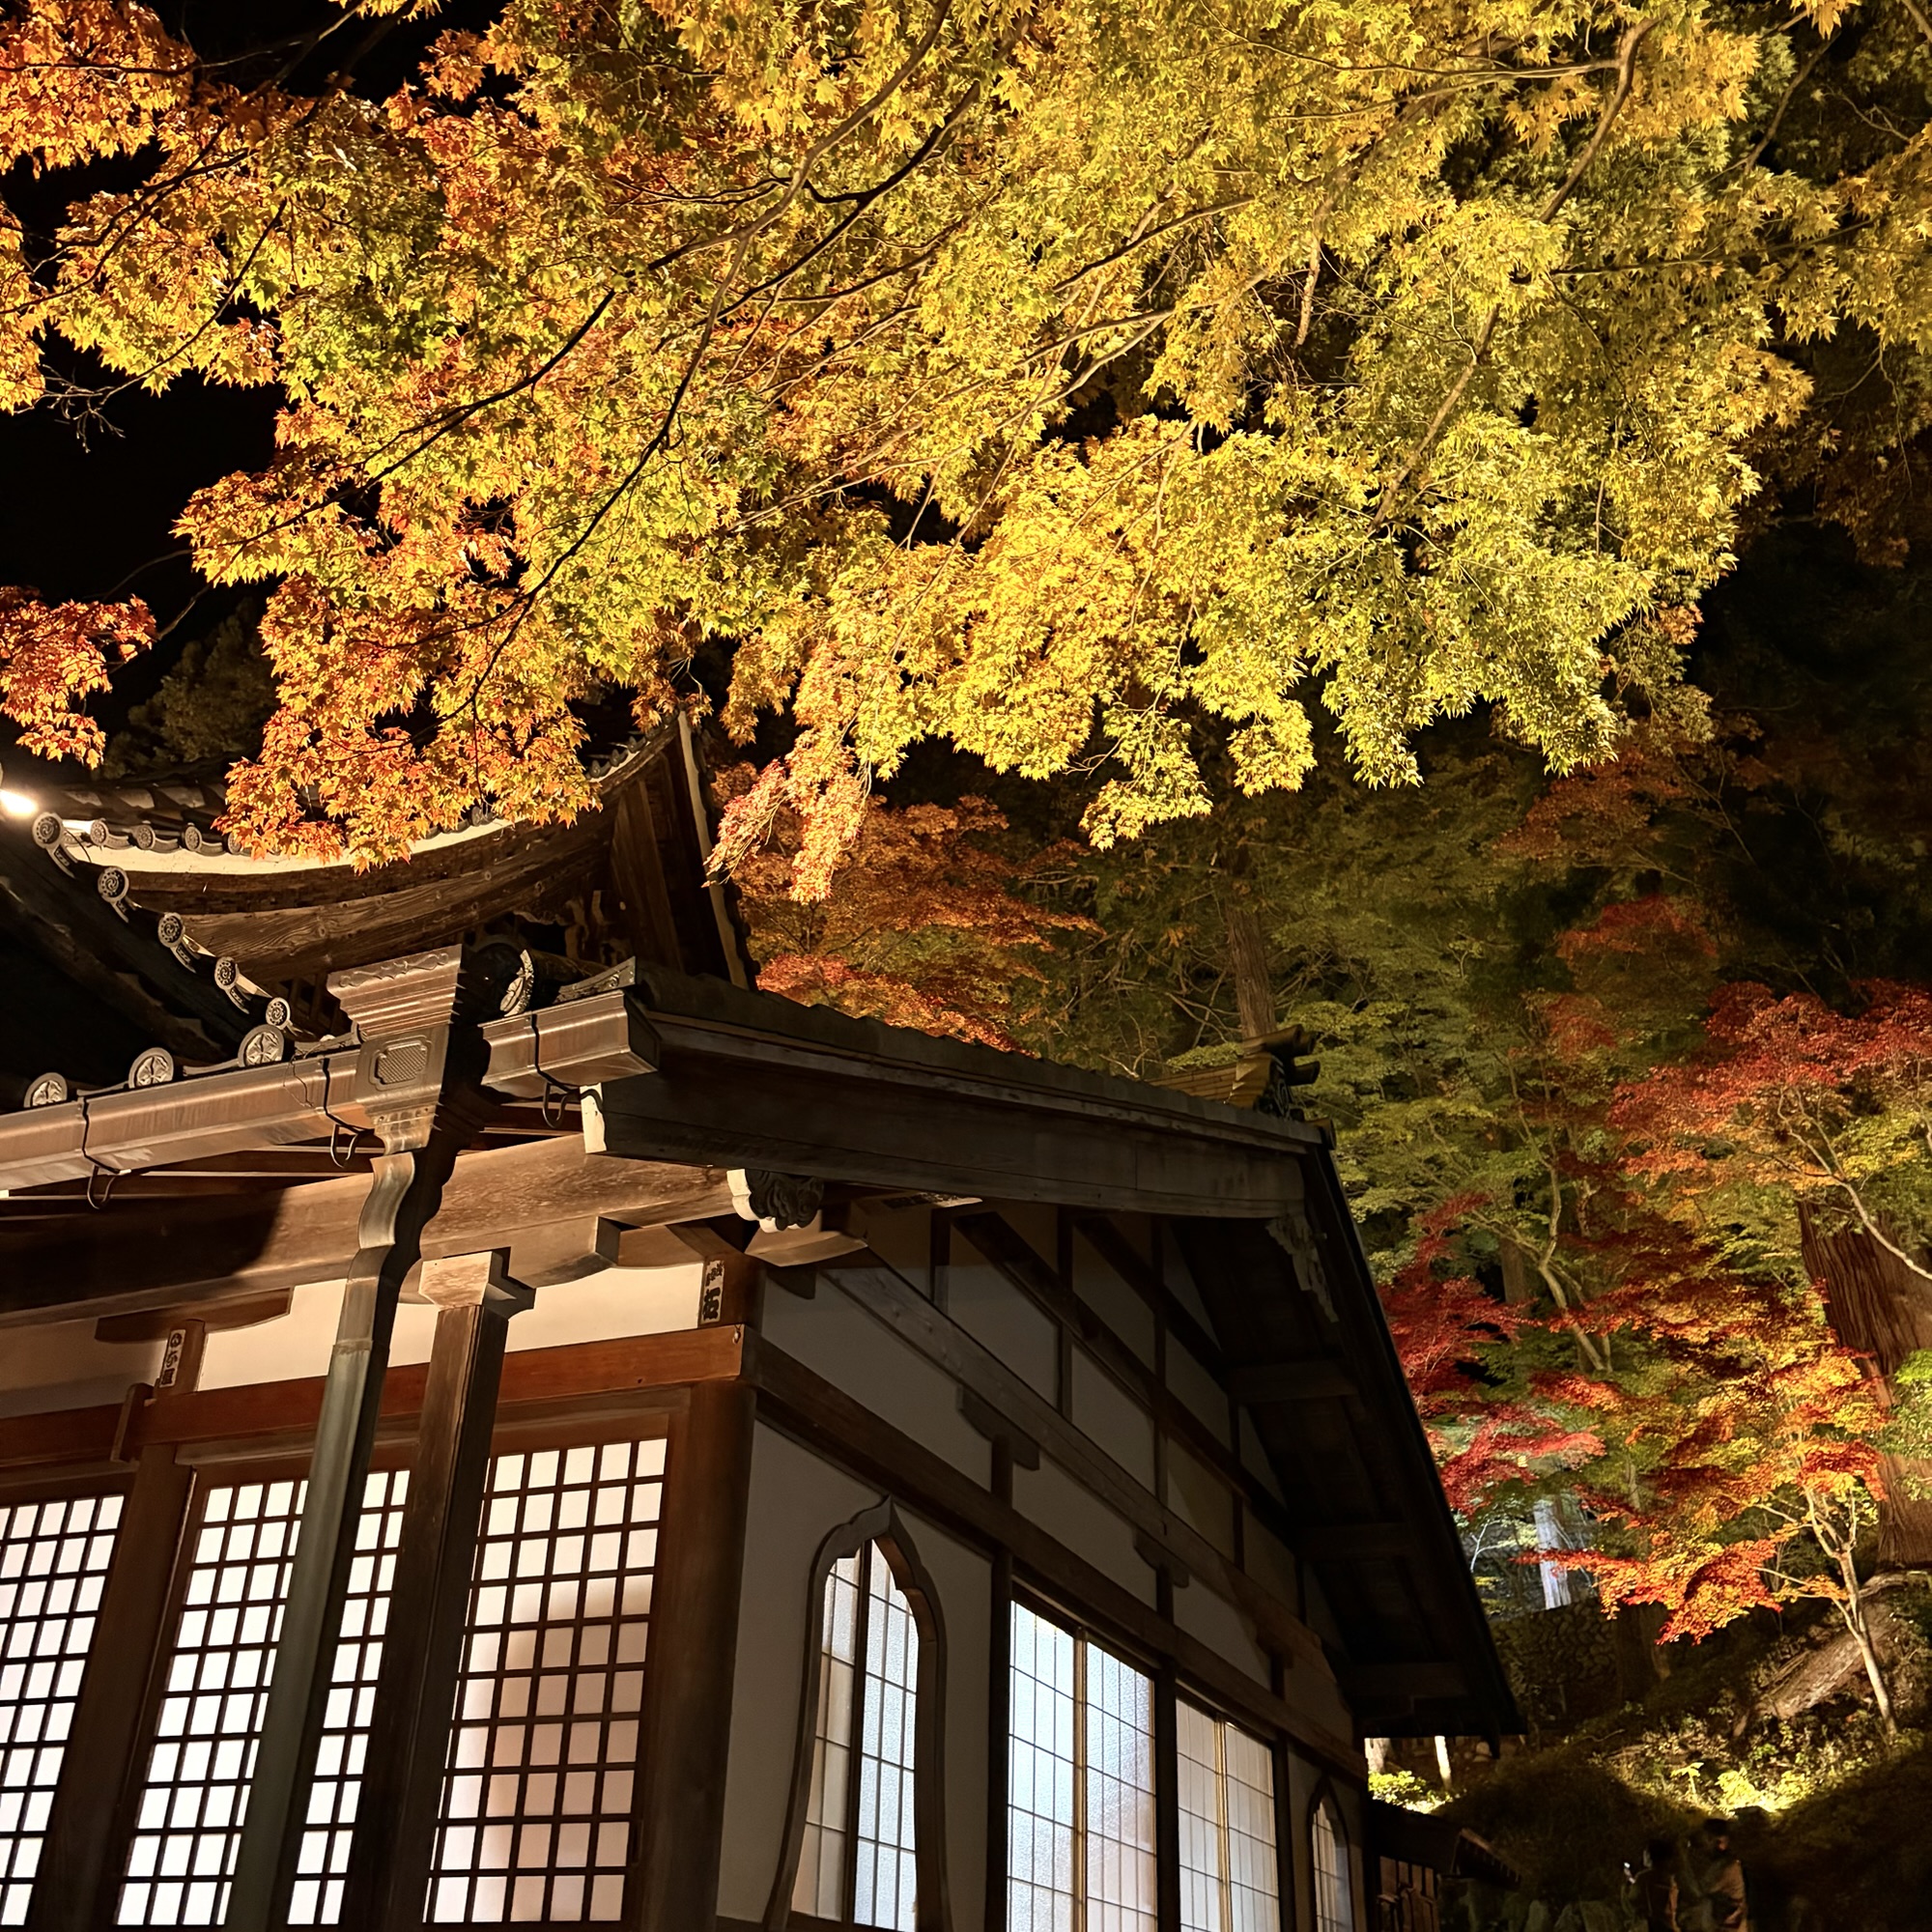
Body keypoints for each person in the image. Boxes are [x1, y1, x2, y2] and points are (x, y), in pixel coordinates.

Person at [1698, 1818, 1749, 1931]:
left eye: (1707, 1838)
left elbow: (1700, 1891)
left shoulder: (1728, 1868)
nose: (1703, 1843)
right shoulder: (1722, 1865)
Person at [1630, 1837, 1682, 1932]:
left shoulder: (1645, 1877)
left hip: (1652, 1925)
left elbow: (1633, 1898)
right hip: (1669, 1925)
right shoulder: (1670, 1877)